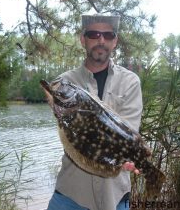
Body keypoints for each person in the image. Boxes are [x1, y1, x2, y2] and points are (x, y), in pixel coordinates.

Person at [47, 14, 143, 210]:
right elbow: (69, 134)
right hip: (71, 192)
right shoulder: (65, 82)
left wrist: (123, 157)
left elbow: (129, 131)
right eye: (94, 34)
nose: (101, 40)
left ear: (114, 41)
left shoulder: (130, 82)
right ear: (83, 39)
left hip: (114, 196)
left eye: (108, 35)